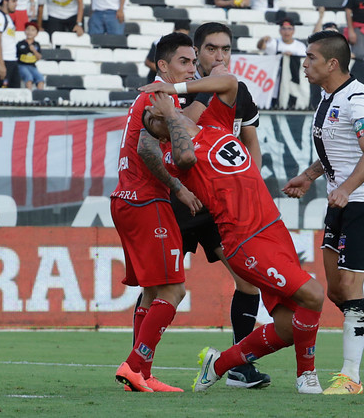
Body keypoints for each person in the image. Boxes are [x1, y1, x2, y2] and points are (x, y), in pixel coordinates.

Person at [139, 74, 325, 395]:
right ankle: (306, 376)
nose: (157, 115)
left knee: (288, 325)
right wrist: (169, 115)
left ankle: (220, 364)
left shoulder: (214, 123)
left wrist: (175, 89)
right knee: (314, 295)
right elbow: (186, 157)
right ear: (160, 134)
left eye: (159, 111)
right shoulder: (174, 155)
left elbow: (230, 82)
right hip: (244, 240)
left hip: (273, 229)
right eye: (152, 121)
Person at [283, 30, 364, 395]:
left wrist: (345, 188)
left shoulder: (358, 99)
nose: (305, 63)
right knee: (338, 293)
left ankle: (350, 377)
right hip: (339, 201)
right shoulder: (328, 97)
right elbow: (337, 153)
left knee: (351, 289)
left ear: (332, 63)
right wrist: (309, 177)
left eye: (310, 57)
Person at [175, 22, 270, 389]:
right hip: (180, 199)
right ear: (197, 54)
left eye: (226, 50)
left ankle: (238, 366)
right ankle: (139, 363)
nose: (220, 56)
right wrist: (209, 90)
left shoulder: (239, 92)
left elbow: (251, 146)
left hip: (219, 205)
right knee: (162, 286)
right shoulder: (180, 91)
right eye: (212, 49)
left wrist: (251, 188)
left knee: (248, 282)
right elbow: (181, 131)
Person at [111, 32, 202, 393]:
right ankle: (135, 365)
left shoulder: (156, 96)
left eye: (193, 61)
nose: (192, 68)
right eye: (184, 61)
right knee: (175, 291)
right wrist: (179, 188)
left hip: (127, 198)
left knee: (152, 292)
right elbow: (148, 149)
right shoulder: (160, 95)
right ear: (162, 65)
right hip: (147, 200)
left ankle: (142, 373)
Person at [0, 0, 20, 89]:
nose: (16, 4)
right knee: (3, 91)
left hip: (11, 59)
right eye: (13, 1)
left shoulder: (7, 17)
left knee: (15, 92)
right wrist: (1, 64)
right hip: (3, 59)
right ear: (5, 1)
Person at [145, 19, 190, 83]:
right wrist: (166, 71)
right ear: (174, 30)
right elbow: (148, 62)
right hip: (156, 81)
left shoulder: (187, 47)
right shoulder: (160, 43)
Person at [16, 21, 44, 90]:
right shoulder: (20, 43)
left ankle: (39, 95)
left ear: (36, 33)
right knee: (28, 77)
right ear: (25, 31)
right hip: (21, 65)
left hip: (32, 66)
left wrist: (34, 50)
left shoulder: (36, 44)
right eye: (28, 29)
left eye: (33, 30)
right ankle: (29, 95)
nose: (30, 32)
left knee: (40, 78)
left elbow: (39, 57)